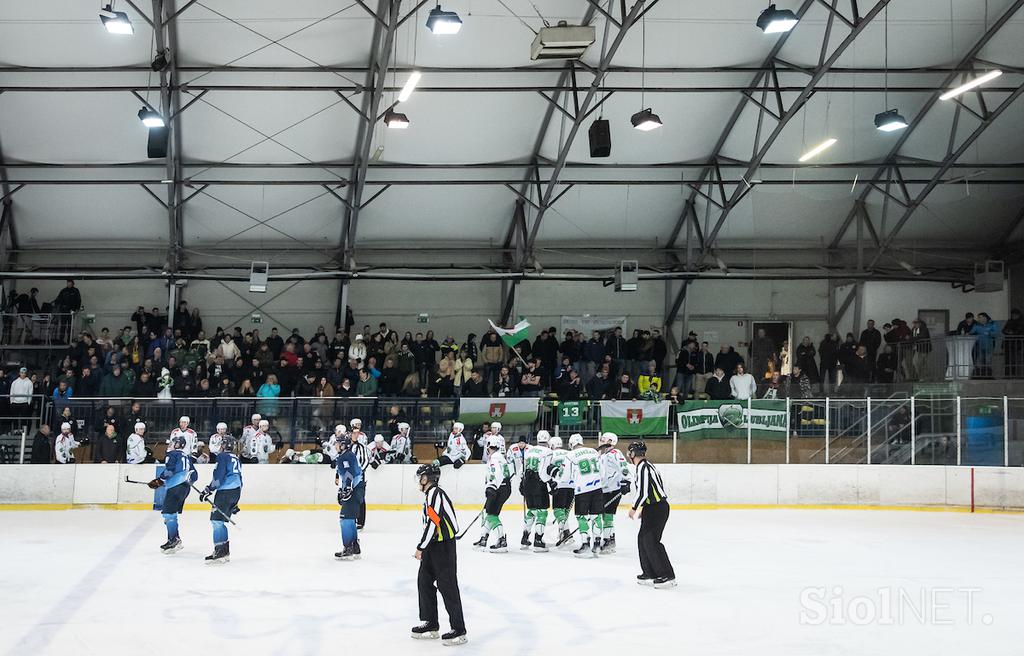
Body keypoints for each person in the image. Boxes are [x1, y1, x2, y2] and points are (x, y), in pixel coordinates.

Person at [411, 463, 467, 646]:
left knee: (447, 586)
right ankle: (431, 623)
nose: (419, 480)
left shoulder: (435, 493)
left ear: (428, 478)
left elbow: (433, 522)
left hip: (443, 547)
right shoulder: (430, 495)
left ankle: (459, 629)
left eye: (421, 477)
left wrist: (421, 546)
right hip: (433, 546)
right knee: (424, 581)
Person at [628, 441, 675, 588]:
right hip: (652, 507)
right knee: (643, 539)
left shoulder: (643, 468)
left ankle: (667, 575)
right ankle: (650, 572)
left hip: (657, 508)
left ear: (633, 454)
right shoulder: (647, 466)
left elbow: (643, 491)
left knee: (651, 541)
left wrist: (634, 507)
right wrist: (645, 507)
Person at [148, 433, 198, 554]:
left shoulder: (172, 454)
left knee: (168, 514)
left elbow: (169, 471)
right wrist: (184, 480)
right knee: (172, 514)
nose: (170, 445)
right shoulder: (187, 457)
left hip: (175, 488)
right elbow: (195, 476)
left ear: (177, 444)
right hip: (185, 489)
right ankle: (174, 539)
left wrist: (160, 480)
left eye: (172, 443)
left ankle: (174, 540)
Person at [199, 434, 242, 564]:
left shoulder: (222, 457)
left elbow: (219, 476)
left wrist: (208, 489)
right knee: (219, 522)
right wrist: (235, 501)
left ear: (223, 445)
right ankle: (223, 551)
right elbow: (240, 479)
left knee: (216, 521)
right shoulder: (236, 458)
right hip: (235, 492)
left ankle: (220, 552)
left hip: (225, 492)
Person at [558, 433, 603, 558]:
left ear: (571, 444)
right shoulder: (594, 451)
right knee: (596, 516)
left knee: (581, 517)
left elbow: (565, 476)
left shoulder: (570, 455)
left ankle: (585, 544)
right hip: (597, 488)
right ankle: (598, 544)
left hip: (582, 490)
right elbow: (602, 470)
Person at [472, 435, 511, 554]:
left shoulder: (494, 458)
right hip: (503, 488)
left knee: (492, 515)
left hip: (498, 489)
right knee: (490, 513)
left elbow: (496, 473)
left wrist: (491, 488)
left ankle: (501, 541)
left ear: (488, 446)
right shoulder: (500, 457)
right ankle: (483, 539)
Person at [596, 432, 632, 554]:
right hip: (604, 489)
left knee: (607, 515)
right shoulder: (602, 456)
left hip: (613, 489)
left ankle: (608, 541)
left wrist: (626, 481)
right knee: (605, 515)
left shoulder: (615, 453)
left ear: (611, 441)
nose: (600, 441)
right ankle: (610, 539)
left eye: (603, 439)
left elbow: (624, 467)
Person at [519, 430, 553, 552]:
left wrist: (522, 484)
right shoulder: (548, 451)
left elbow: (523, 469)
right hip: (539, 483)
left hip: (527, 483)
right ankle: (538, 541)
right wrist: (552, 484)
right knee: (542, 512)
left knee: (531, 511)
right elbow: (545, 471)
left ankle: (524, 538)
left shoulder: (529, 450)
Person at [333, 434, 364, 560]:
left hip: (354, 489)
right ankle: (355, 546)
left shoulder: (346, 456)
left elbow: (349, 473)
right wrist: (342, 488)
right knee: (350, 519)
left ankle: (348, 547)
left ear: (343, 445)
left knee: (344, 519)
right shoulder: (346, 455)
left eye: (338, 443)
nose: (335, 445)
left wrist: (346, 489)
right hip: (357, 488)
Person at [545, 435, 574, 548]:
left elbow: (548, 470)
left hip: (559, 485)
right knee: (565, 511)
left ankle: (566, 533)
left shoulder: (551, 454)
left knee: (558, 510)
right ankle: (563, 534)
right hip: (572, 486)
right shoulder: (569, 453)